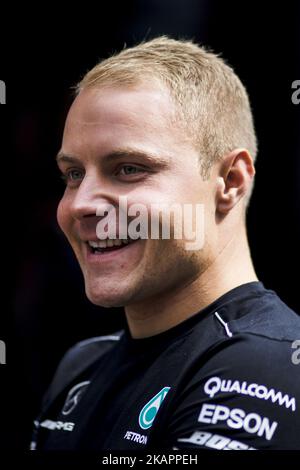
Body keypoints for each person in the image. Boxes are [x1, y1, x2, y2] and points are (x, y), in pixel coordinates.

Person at [31, 36, 300, 451]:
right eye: (73, 174)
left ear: (230, 181)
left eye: (128, 168)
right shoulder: (81, 366)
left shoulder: (267, 364)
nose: (80, 205)